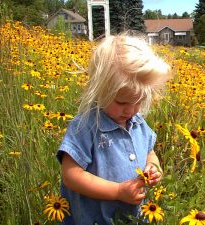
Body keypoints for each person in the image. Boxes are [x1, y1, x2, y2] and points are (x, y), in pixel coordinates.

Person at [56, 33, 172, 225]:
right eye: (121, 102)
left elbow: (149, 152)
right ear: (99, 89)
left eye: (139, 102)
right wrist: (117, 192)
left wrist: (153, 167)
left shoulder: (138, 123)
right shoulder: (86, 126)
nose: (131, 110)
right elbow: (71, 175)